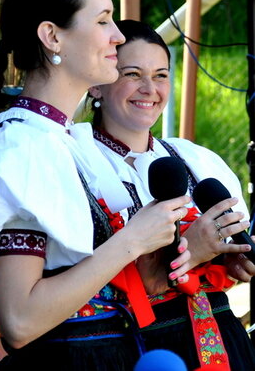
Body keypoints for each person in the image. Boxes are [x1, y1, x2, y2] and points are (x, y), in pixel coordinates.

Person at [0, 0, 192, 371]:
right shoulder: (24, 149)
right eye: (103, 20)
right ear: (52, 36)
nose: (118, 36)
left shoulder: (64, 141)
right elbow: (19, 321)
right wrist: (131, 241)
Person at [88, 19, 255, 370]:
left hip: (223, 343)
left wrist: (233, 258)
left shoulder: (195, 160)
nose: (149, 88)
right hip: (135, 349)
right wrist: (189, 253)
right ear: (97, 86)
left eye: (161, 75)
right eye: (132, 74)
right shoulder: (78, 164)